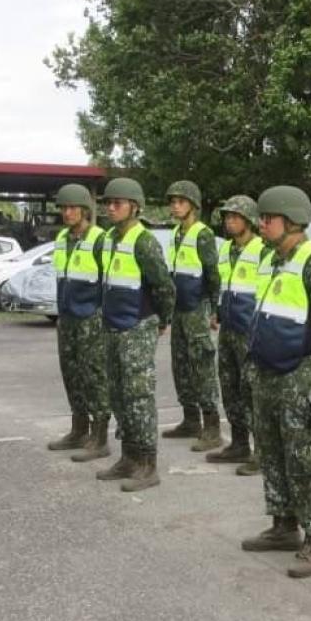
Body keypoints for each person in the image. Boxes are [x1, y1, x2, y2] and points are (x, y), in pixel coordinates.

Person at [241, 186, 311, 578]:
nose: (261, 224)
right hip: (269, 372)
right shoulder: (271, 259)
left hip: (301, 375)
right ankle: (283, 525)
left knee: (310, 457)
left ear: (290, 221)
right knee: (272, 451)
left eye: (268, 218)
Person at [94, 177, 176, 491]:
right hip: (113, 325)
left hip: (137, 325)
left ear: (134, 207)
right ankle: (129, 457)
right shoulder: (110, 240)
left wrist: (162, 319)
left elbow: (164, 286)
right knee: (117, 393)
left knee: (138, 395)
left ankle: (147, 463)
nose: (110, 208)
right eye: (108, 203)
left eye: (117, 203)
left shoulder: (144, 241)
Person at [46, 184, 112, 463]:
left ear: (85, 209)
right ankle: (78, 429)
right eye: (64, 208)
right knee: (71, 374)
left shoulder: (99, 239)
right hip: (67, 317)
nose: (67, 212)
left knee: (94, 376)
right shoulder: (62, 238)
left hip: (91, 318)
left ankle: (99, 437)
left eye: (72, 207)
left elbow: (110, 282)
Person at [160, 180, 223, 454]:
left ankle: (212, 427)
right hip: (179, 310)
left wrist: (214, 309)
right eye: (173, 201)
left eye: (181, 201)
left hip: (197, 309)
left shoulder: (203, 234)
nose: (175, 206)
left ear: (193, 206)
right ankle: (189, 419)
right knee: (181, 365)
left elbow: (213, 274)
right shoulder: (175, 233)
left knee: (202, 367)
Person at [207, 194, 266, 474]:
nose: (229, 222)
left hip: (250, 331)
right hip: (228, 329)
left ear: (249, 220)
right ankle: (239, 443)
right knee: (230, 388)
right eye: (227, 217)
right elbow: (224, 286)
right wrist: (217, 310)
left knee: (252, 390)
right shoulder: (226, 250)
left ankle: (261, 451)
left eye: (235, 217)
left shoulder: (262, 250)